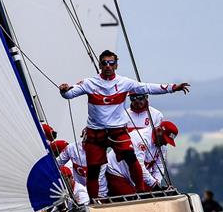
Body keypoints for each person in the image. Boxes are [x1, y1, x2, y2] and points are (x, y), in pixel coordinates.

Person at [59, 50, 190, 198]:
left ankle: (141, 192)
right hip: (96, 132)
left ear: (116, 65)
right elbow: (69, 94)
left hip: (117, 130)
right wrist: (63, 90)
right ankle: (93, 203)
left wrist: (173, 88)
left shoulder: (124, 82)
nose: (108, 66)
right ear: (100, 65)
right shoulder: (90, 83)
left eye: (111, 63)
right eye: (104, 63)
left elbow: (147, 87)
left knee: (131, 158)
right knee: (94, 169)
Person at [57, 134, 107, 198]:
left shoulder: (101, 153)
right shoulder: (72, 148)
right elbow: (56, 164)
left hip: (99, 193)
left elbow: (99, 180)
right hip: (78, 191)